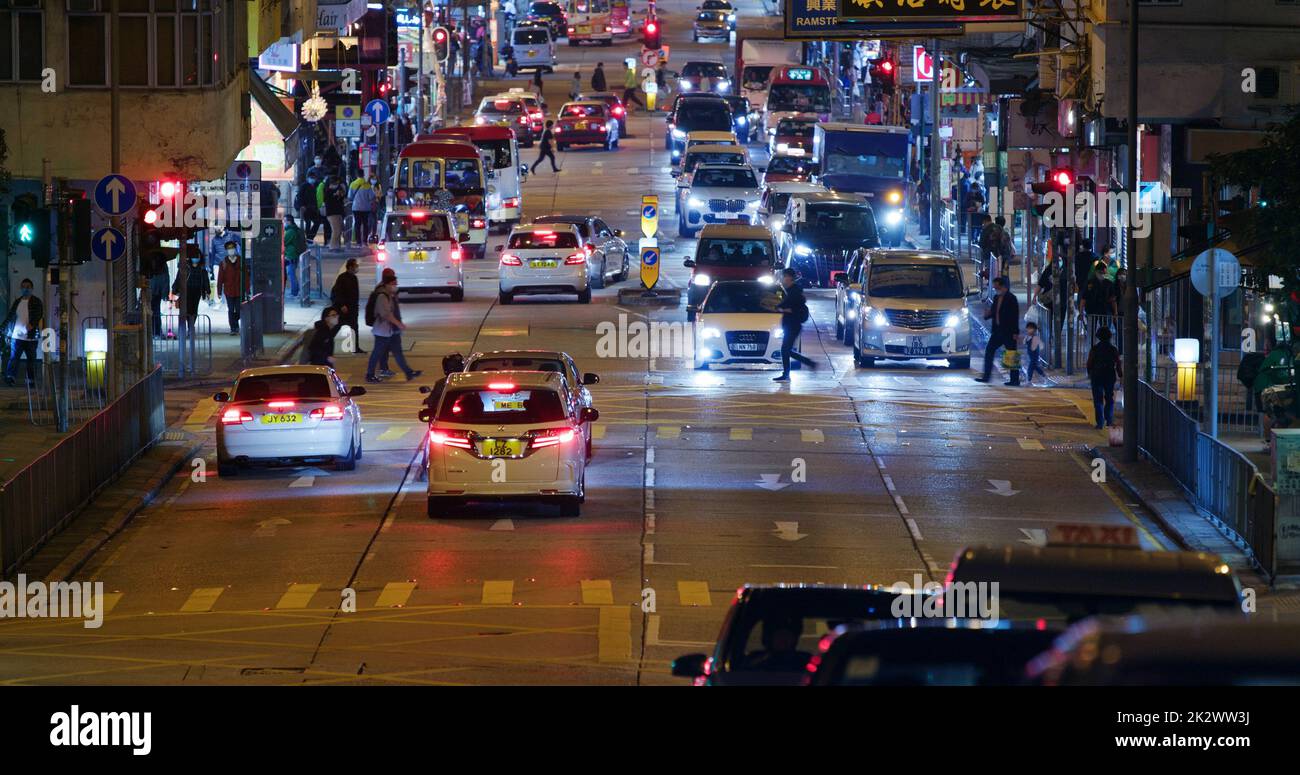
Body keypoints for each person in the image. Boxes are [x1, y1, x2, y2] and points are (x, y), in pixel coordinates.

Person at [365, 269, 422, 383]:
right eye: (394, 284)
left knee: (397, 352)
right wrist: (398, 324)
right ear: (388, 284)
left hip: (390, 330)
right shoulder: (382, 295)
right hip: (383, 330)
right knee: (377, 353)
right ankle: (370, 374)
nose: (396, 286)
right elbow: (386, 314)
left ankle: (408, 372)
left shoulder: (389, 294)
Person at [773, 268, 817, 381]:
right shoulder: (792, 290)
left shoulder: (794, 291)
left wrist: (780, 308)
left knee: (785, 349)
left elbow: (792, 306)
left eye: (784, 277)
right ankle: (807, 364)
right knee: (786, 349)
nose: (783, 279)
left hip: (793, 325)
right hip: (791, 324)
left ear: (789, 277)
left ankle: (788, 373)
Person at [976, 275, 1020, 385]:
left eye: (997, 287)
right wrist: (987, 315)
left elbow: (1015, 316)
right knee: (989, 351)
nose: (995, 290)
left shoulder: (1011, 298)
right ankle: (986, 376)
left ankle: (1014, 380)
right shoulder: (996, 298)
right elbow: (994, 312)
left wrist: (1015, 332)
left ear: (1003, 287)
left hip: (1008, 331)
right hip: (997, 331)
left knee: (1011, 354)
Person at [1252, 332, 1293, 451]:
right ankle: (1270, 441)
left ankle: (1269, 441)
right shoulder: (1282, 355)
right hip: (1266, 386)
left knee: (1268, 412)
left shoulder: (1277, 353)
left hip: (1261, 385)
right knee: (1269, 412)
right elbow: (1281, 373)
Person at [3, 278, 44, 387]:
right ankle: (10, 377)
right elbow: (11, 316)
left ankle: (31, 380)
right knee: (14, 358)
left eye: (28, 287)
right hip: (16, 336)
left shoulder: (36, 301)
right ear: (21, 288)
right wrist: (4, 328)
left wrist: (32, 324)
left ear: (32, 288)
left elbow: (39, 314)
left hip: (30, 337)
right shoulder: (18, 301)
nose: (25, 289)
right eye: (23, 287)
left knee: (31, 360)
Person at [1086, 326, 1122, 429]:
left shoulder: (1095, 349)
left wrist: (1090, 374)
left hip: (1097, 375)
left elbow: (1089, 363)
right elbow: (1118, 363)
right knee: (1109, 398)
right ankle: (1109, 420)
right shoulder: (1113, 349)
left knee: (1098, 400)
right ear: (1110, 337)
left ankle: (1100, 423)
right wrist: (1120, 375)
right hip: (1109, 375)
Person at [330, 258, 364, 354]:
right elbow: (337, 293)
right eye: (355, 266)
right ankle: (327, 345)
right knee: (336, 328)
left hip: (352, 309)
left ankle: (356, 348)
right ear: (350, 267)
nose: (357, 267)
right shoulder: (342, 278)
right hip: (343, 310)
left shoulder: (354, 278)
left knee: (354, 328)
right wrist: (342, 305)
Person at [173, 254, 211, 330]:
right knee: (188, 309)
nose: (195, 258)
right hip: (186, 291)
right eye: (194, 256)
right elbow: (178, 278)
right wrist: (175, 289)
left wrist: (207, 291)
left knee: (194, 309)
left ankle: (191, 325)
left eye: (197, 257)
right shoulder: (185, 267)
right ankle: (190, 325)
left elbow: (205, 281)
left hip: (197, 292)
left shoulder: (202, 269)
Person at [215, 240, 243, 335]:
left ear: (235, 249)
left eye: (232, 248)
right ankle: (233, 328)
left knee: (239, 309)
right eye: (229, 248)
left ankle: (235, 322)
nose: (231, 250)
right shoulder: (223, 263)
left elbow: (246, 277)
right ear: (226, 250)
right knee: (231, 309)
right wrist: (219, 291)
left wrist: (247, 289)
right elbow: (220, 278)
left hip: (239, 290)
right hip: (229, 290)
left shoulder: (241, 261)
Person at [349, 175, 378, 246]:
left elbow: (349, 196)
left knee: (357, 224)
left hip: (356, 208)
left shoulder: (353, 184)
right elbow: (372, 197)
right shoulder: (367, 185)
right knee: (365, 224)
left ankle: (358, 242)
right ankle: (365, 241)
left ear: (357, 175)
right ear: (363, 175)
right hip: (365, 208)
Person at [283, 216, 306, 297]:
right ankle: (296, 290)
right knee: (292, 273)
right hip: (295, 254)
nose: (283, 222)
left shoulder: (290, 231)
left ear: (289, 221)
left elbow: (283, 242)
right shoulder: (296, 229)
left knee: (291, 274)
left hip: (291, 255)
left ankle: (294, 292)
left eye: (284, 220)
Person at [323, 176, 346, 250]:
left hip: (338, 212)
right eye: (335, 183)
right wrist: (335, 194)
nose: (336, 185)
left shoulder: (338, 190)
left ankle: (337, 245)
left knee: (339, 230)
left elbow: (342, 199)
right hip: (332, 213)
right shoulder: (328, 191)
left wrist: (340, 194)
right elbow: (328, 201)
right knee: (336, 230)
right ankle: (332, 246)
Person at [1023, 321, 1044, 386]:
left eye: (1030, 328)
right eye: (1028, 328)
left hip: (1034, 355)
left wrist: (1038, 348)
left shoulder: (1035, 337)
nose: (1029, 330)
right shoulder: (1027, 337)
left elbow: (1041, 345)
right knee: (1035, 367)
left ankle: (1029, 380)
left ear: (1034, 330)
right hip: (1030, 355)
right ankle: (1044, 376)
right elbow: (1024, 343)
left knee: (1030, 367)